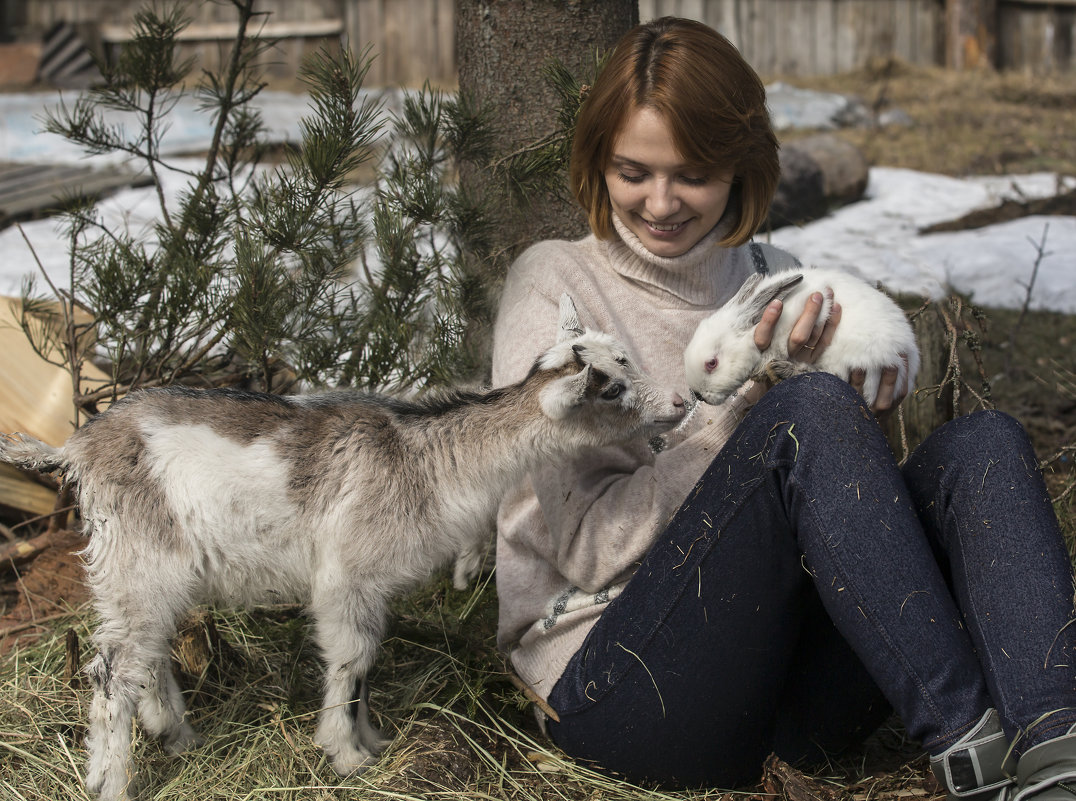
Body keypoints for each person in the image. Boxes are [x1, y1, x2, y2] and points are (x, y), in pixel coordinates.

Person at [490, 16, 1076, 799]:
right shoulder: (556, 288)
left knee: (986, 445)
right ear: (599, 163)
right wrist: (752, 414)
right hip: (621, 693)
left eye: (691, 174)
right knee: (803, 414)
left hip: (783, 698)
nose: (659, 201)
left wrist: (865, 407)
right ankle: (969, 749)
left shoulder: (779, 273)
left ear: (740, 166)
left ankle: (1053, 753)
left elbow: (825, 512)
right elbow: (591, 548)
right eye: (633, 171)